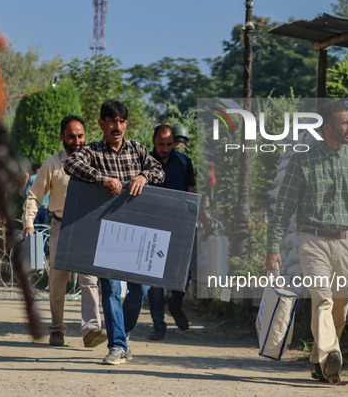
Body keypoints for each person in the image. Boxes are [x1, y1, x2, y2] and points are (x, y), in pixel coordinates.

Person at [265, 101, 348, 385]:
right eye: (345, 123)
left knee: (340, 309)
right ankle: (332, 354)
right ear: (328, 128)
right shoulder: (302, 160)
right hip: (314, 242)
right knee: (322, 300)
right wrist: (273, 245)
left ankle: (318, 362)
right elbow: (284, 207)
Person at [64, 100, 164, 365]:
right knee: (109, 289)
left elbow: (159, 171)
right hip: (106, 233)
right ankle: (117, 345)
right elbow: (71, 165)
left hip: (138, 233)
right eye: (112, 121)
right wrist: (103, 179)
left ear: (126, 124)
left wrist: (143, 177)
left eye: (121, 121)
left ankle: (123, 335)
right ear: (102, 124)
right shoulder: (93, 151)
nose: (117, 126)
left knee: (140, 289)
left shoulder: (138, 149)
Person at [22, 115, 107, 348]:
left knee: (89, 279)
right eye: (71, 136)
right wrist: (28, 223)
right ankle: (57, 329)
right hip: (61, 225)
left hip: (87, 227)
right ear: (62, 137)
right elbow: (34, 196)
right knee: (58, 281)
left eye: (80, 136)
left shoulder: (96, 162)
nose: (77, 141)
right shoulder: (52, 164)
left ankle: (91, 330)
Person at [147, 124, 211, 341]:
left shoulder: (184, 163)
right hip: (154, 229)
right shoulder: (144, 162)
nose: (165, 148)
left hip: (180, 228)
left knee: (184, 276)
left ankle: (175, 302)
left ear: (173, 141)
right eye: (160, 144)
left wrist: (204, 221)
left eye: (168, 144)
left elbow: (192, 196)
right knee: (154, 279)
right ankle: (158, 326)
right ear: (154, 141)